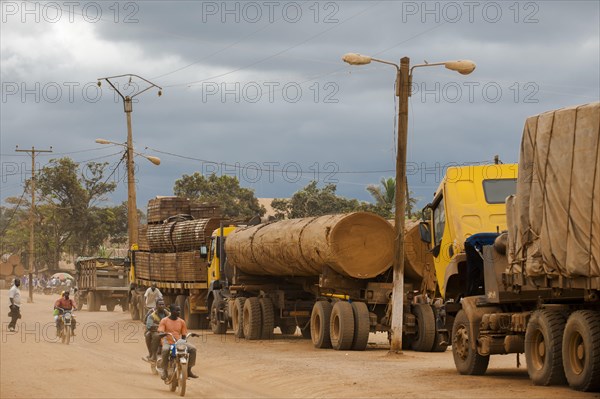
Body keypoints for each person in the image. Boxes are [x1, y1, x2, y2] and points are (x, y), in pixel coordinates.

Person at [158, 304, 198, 379]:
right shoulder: (164, 320)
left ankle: (189, 370)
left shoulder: (182, 321)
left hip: (178, 342)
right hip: (168, 341)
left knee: (193, 349)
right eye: (177, 310)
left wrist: (184, 342)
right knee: (165, 350)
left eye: (179, 310)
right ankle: (164, 370)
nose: (179, 312)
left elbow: (183, 335)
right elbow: (160, 331)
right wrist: (162, 334)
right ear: (172, 311)